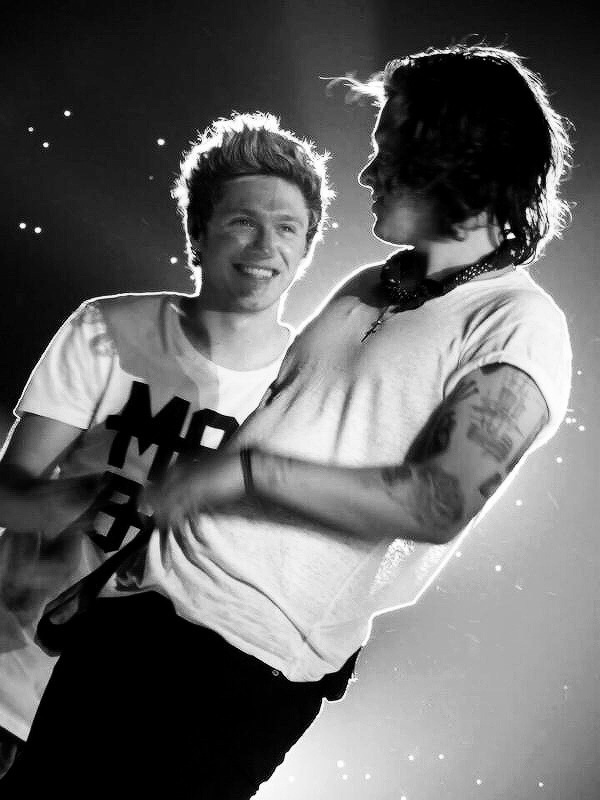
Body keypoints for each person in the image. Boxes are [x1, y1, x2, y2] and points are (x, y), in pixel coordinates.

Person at [5, 44, 573, 799]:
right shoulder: (368, 285)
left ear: (457, 156)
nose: (367, 173)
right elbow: (272, 429)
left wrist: (246, 476)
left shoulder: (518, 323)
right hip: (133, 614)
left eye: (388, 148)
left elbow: (438, 501)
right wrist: (124, 573)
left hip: (239, 665)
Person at [0, 111, 332, 780]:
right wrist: (86, 506)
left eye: (287, 228)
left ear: (306, 248)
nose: (264, 245)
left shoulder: (311, 386)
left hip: (147, 719)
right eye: (242, 221)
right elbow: (8, 491)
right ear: (200, 231)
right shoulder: (107, 327)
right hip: (14, 678)